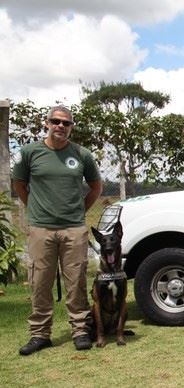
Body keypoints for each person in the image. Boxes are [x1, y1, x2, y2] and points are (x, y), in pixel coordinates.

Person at [12, 105, 103, 355]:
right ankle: (40, 334)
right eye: (56, 121)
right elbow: (19, 184)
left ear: (71, 126)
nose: (60, 126)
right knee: (40, 282)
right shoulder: (30, 152)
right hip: (41, 229)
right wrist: (34, 208)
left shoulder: (81, 155)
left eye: (66, 123)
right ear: (47, 123)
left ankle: (80, 331)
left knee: (76, 282)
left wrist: (79, 212)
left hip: (74, 229)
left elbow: (95, 187)